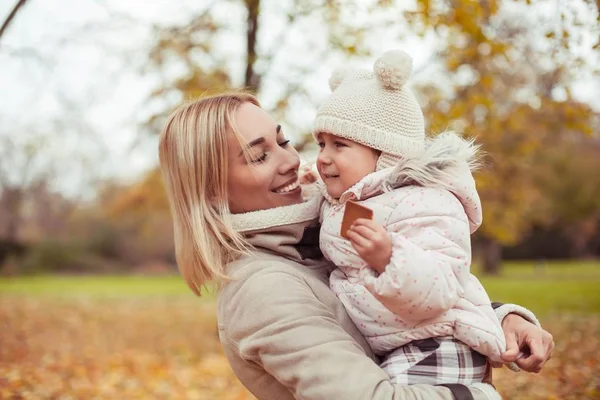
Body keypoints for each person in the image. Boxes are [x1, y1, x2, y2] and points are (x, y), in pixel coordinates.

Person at [158, 91, 554, 400]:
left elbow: (395, 308)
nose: (292, 161)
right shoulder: (262, 288)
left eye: (285, 141)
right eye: (259, 155)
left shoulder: (323, 231)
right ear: (211, 192)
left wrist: (503, 319)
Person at [313, 49, 507, 386]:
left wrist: (390, 258)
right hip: (400, 345)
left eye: (339, 145)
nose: (323, 158)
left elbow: (442, 287)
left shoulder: (426, 202)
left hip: (438, 346)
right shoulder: (355, 198)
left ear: (386, 154)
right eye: (320, 144)